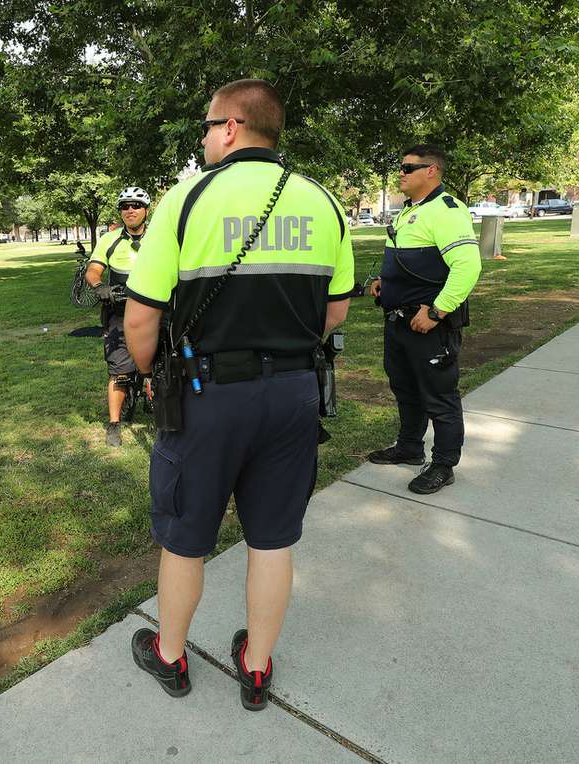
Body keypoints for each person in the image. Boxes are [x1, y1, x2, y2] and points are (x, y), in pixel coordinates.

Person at [123, 79, 354, 710]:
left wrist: (150, 373)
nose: (202, 138)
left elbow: (140, 320)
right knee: (273, 538)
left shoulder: (187, 199)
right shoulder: (324, 202)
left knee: (186, 536)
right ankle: (256, 668)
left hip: (206, 395)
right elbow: (335, 313)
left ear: (230, 128)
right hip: (293, 394)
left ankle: (170, 656)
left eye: (206, 126)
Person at [366, 144, 481, 495]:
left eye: (407, 167)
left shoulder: (445, 211)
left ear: (431, 170)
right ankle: (409, 447)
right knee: (405, 388)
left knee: (439, 396)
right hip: (399, 322)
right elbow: (414, 262)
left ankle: (444, 464)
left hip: (428, 325)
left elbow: (468, 266)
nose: (400, 173)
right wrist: (386, 283)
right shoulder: (411, 211)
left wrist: (436, 312)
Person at [85, 187, 151, 446]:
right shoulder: (109, 239)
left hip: (154, 309)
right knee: (119, 369)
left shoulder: (160, 236)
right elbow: (93, 271)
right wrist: (100, 287)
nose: (130, 210)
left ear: (146, 209)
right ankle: (114, 423)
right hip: (119, 308)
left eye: (136, 205)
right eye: (124, 206)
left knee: (166, 361)